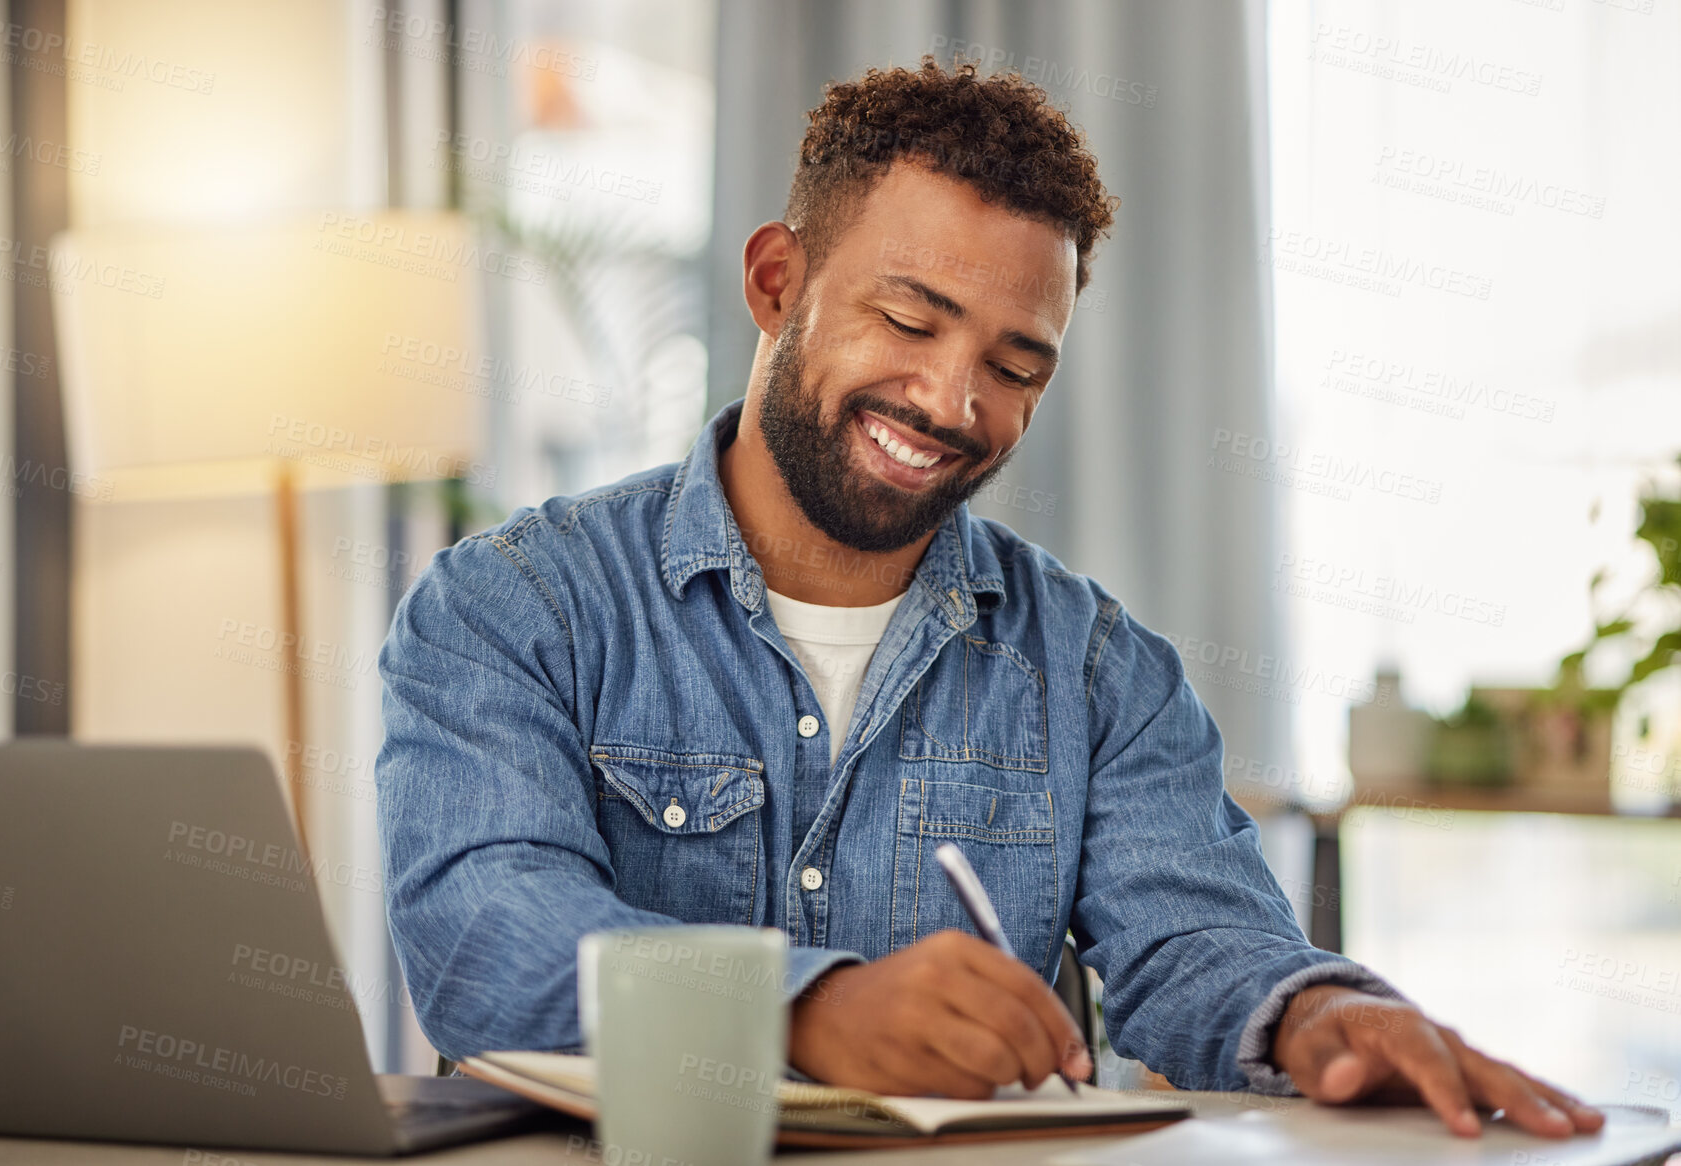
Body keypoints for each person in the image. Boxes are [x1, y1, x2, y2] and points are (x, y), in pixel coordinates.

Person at [376, 57, 1601, 1139]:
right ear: (771, 282)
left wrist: (1317, 1017)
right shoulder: (511, 605)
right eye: (909, 317)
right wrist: (809, 1009)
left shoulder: (1091, 666)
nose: (952, 403)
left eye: (1015, 366)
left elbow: (1196, 942)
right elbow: (488, 936)